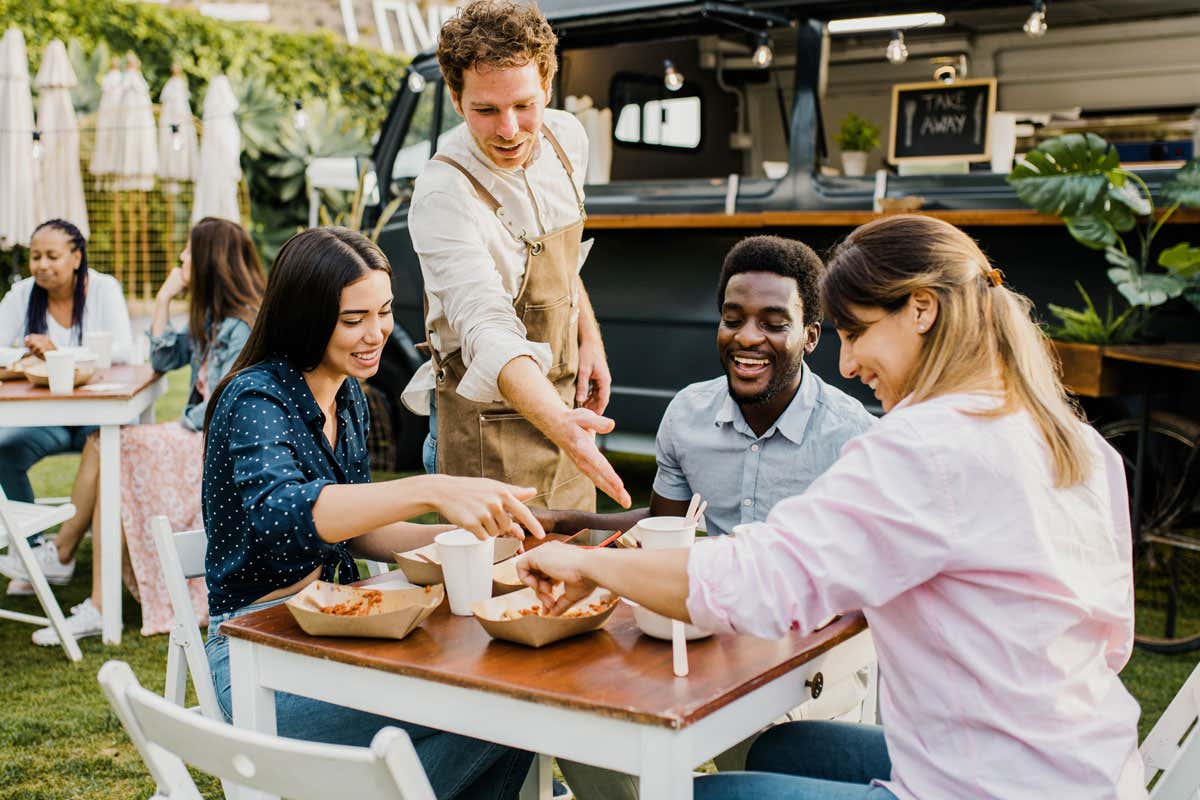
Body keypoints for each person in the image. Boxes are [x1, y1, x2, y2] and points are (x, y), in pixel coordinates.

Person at [518, 214, 1145, 799]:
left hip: (984, 786)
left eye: (856, 333)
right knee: (787, 747)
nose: (846, 364)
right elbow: (1115, 641)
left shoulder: (922, 446)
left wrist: (589, 566)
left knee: (693, 792)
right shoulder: (1073, 440)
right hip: (1090, 769)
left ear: (921, 309)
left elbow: (761, 582)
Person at [203, 226, 541, 799]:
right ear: (306, 315)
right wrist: (431, 487)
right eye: (353, 318)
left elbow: (359, 529)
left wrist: (477, 536)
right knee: (508, 709)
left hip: (343, 629)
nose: (377, 333)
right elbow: (283, 515)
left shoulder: (347, 395)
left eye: (383, 312)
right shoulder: (254, 397)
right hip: (258, 659)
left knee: (512, 697)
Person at [402, 0, 630, 513]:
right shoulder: (442, 193)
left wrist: (588, 338)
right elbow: (486, 327)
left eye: (524, 105)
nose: (509, 130)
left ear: (548, 85)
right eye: (486, 110)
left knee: (575, 581)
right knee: (488, 590)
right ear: (457, 101)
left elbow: (564, 262)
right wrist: (565, 429)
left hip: (565, 412)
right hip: (483, 432)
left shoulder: (567, 137)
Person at [11, 218, 265, 645]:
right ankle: (75, 572)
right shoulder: (212, 315)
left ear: (207, 260)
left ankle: (68, 560)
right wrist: (165, 299)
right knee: (110, 447)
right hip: (196, 436)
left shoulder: (241, 325)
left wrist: (179, 426)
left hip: (211, 444)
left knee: (113, 446)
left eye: (187, 252)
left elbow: (224, 405)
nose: (181, 259)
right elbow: (163, 358)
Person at [539, 235, 875, 538]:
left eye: (773, 324)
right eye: (732, 320)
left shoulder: (852, 436)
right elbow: (664, 524)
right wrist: (558, 521)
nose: (746, 336)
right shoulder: (687, 414)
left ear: (810, 337)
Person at [0, 219, 133, 504]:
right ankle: (31, 543)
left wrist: (56, 352)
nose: (42, 266)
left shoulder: (104, 289)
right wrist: (25, 355)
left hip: (97, 414)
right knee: (3, 450)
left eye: (52, 256)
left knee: (113, 441)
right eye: (36, 257)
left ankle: (65, 542)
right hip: (45, 418)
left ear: (76, 258)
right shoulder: (22, 294)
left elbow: (123, 350)